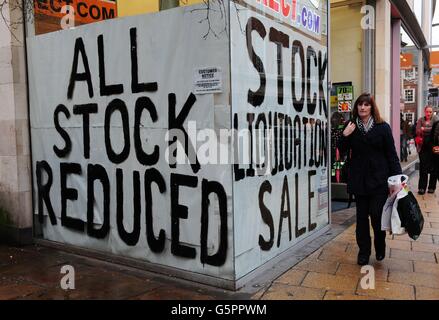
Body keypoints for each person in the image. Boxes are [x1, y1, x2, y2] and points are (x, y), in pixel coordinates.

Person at [338, 93, 402, 266]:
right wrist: (345, 135)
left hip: (379, 180)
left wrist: (398, 180)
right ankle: (364, 252)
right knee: (361, 219)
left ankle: (380, 245)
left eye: (366, 105)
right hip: (359, 180)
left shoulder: (383, 127)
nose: (362, 108)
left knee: (376, 215)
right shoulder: (351, 126)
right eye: (360, 104)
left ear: (372, 107)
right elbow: (341, 149)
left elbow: (391, 155)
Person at [415, 106, 438, 194]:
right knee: (423, 166)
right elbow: (417, 131)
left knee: (434, 166)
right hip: (423, 146)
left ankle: (432, 187)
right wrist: (427, 129)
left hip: (434, 146)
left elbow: (436, 131)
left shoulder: (436, 119)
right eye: (427, 112)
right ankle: (422, 188)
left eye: (430, 112)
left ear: (432, 112)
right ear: (424, 112)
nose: (428, 114)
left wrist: (424, 129)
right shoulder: (421, 120)